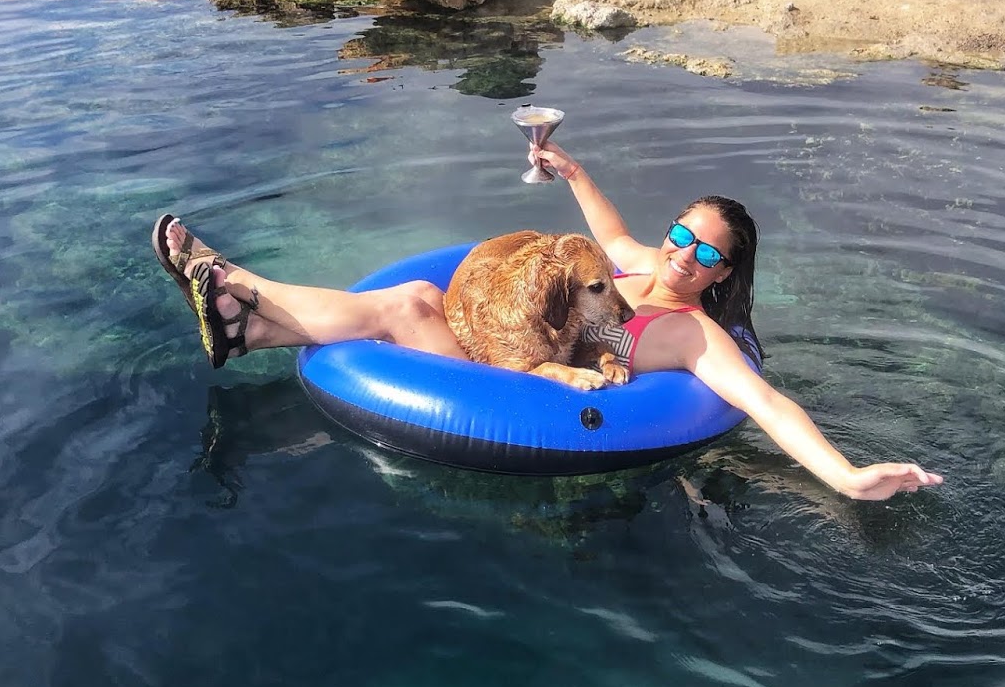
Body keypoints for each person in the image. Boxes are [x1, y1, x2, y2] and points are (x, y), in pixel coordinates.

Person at [151, 151, 943, 501]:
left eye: (706, 251)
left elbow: (767, 405)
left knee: (411, 305)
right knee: (425, 293)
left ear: (725, 271)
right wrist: (575, 171)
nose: (682, 253)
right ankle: (243, 318)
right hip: (511, 358)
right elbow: (613, 232)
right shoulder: (635, 263)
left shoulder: (695, 333)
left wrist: (845, 475)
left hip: (520, 397)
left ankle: (242, 295)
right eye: (682, 233)